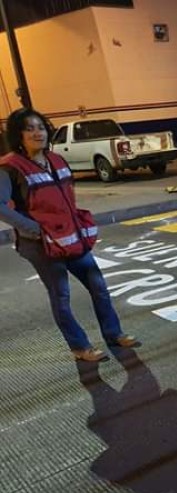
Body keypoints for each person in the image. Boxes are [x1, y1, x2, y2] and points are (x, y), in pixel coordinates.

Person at [0, 107, 137, 361]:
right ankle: (79, 346)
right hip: (40, 245)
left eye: (40, 126)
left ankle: (114, 333)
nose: (37, 132)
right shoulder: (9, 168)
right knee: (61, 296)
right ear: (18, 135)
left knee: (98, 286)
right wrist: (34, 229)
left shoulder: (56, 160)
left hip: (72, 239)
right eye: (29, 128)